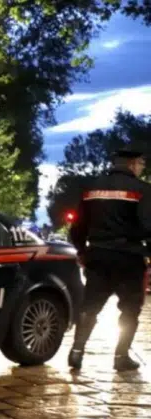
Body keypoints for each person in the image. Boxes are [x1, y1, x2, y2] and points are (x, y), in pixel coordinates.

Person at [67, 144, 151, 371]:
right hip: (129, 258)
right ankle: (121, 357)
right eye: (141, 164)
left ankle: (76, 351)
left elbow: (77, 227)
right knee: (130, 308)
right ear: (132, 164)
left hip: (98, 255)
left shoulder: (91, 188)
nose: (142, 168)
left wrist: (82, 251)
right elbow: (148, 226)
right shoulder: (143, 190)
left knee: (90, 306)